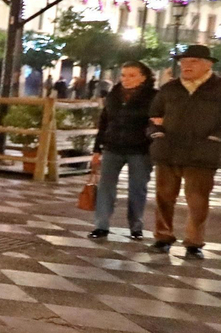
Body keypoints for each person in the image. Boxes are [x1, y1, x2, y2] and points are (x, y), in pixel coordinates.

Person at [149, 45, 221, 257]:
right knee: (164, 196)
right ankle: (163, 236)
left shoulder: (218, 88)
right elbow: (154, 115)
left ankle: (194, 242)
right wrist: (157, 133)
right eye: (184, 62)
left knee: (198, 199)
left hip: (202, 154)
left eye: (193, 62)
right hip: (168, 150)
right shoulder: (170, 88)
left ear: (208, 64)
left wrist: (215, 138)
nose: (186, 66)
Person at [90, 61, 156, 240]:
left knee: (137, 188)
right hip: (113, 146)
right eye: (124, 75)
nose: (126, 79)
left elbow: (156, 123)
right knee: (106, 187)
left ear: (144, 77)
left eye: (132, 75)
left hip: (140, 149)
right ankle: (101, 225)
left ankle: (136, 227)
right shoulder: (114, 95)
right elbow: (104, 122)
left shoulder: (154, 96)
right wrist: (97, 149)